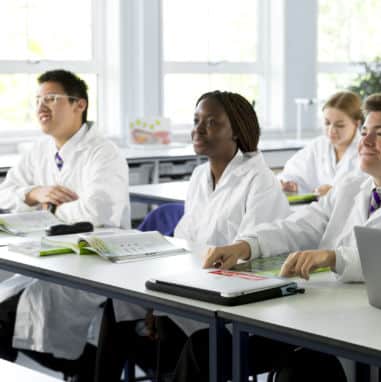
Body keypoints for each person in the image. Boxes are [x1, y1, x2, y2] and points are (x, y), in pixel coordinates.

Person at [169, 94, 381, 381]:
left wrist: (334, 258)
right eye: (365, 132)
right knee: (204, 349)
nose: (366, 141)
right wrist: (247, 245)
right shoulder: (350, 187)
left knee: (300, 372)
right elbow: (299, 226)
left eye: (380, 134)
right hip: (317, 318)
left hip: (378, 335)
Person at [100, 91, 292, 380]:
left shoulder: (259, 180)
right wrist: (155, 298)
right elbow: (185, 241)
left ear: (237, 132)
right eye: (196, 120)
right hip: (193, 283)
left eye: (212, 122)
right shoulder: (200, 176)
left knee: (173, 331)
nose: (198, 129)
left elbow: (252, 256)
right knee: (118, 305)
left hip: (233, 298)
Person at [0, 69, 130, 380]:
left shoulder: (103, 153)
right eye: (38, 100)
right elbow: (6, 192)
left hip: (93, 264)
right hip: (48, 257)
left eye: (52, 99)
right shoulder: (39, 150)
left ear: (78, 105)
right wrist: (34, 192)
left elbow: (96, 211)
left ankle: (83, 367)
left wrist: (46, 208)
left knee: (9, 319)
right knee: (9, 312)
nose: (41, 107)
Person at [279, 91, 364, 196]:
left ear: (357, 124)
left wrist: (334, 193)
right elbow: (293, 172)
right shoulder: (318, 146)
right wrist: (292, 185)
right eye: (327, 123)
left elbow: (367, 192)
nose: (331, 130)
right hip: (317, 209)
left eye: (340, 125)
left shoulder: (367, 151)